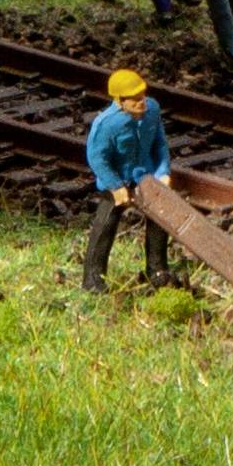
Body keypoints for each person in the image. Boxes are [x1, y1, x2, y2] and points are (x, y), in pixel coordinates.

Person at [82, 65, 176, 295]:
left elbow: (160, 144)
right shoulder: (106, 125)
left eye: (142, 96)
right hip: (117, 180)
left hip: (146, 176)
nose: (141, 103)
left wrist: (163, 172)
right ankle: (93, 279)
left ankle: (157, 270)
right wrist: (115, 186)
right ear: (120, 101)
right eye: (134, 100)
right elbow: (97, 158)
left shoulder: (152, 110)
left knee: (159, 220)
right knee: (105, 225)